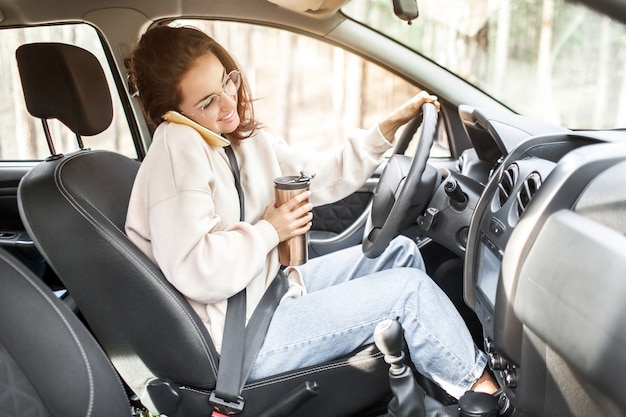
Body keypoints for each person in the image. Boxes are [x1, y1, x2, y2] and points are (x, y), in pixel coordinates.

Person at [125, 24, 498, 400]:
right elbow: (195, 267)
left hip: (268, 294)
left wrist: (385, 129)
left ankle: (432, 389)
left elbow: (317, 176)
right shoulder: (178, 149)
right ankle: (485, 398)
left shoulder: (237, 141)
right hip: (239, 337)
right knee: (409, 292)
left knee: (398, 252)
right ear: (172, 113)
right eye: (206, 102)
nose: (227, 103)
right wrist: (270, 231)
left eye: (228, 82)